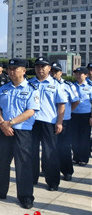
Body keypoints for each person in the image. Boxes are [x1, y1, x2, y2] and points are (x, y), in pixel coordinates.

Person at [0, 58, 40, 209]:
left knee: (23, 164)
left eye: (15, 68)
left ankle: (25, 196)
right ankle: (0, 191)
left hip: (22, 131)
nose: (11, 71)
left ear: (23, 71)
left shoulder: (31, 89)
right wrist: (2, 123)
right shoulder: (4, 88)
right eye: (9, 68)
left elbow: (30, 111)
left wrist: (11, 122)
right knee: (3, 162)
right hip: (4, 130)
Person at [28, 57, 66, 191]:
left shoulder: (56, 84)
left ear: (49, 69)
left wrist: (59, 122)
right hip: (32, 122)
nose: (40, 69)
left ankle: (52, 182)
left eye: (43, 66)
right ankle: (32, 178)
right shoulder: (30, 83)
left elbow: (61, 105)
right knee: (31, 151)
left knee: (50, 152)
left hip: (49, 121)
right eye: (38, 66)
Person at [50, 62, 80, 180]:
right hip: (49, 120)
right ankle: (50, 169)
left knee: (64, 147)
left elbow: (76, 101)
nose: (53, 73)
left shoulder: (68, 85)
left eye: (56, 71)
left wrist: (67, 112)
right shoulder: (46, 84)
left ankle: (67, 171)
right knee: (49, 147)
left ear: (60, 72)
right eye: (51, 71)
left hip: (64, 121)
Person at [72, 67, 92, 166]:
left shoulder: (90, 87)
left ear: (86, 75)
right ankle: (76, 157)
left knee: (84, 137)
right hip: (73, 115)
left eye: (81, 74)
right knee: (74, 137)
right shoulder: (72, 86)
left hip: (86, 115)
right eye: (76, 73)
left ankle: (83, 158)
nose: (78, 75)